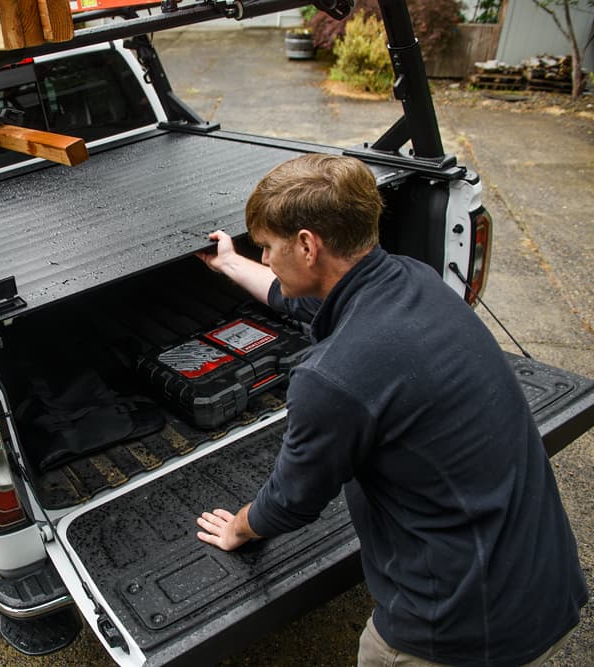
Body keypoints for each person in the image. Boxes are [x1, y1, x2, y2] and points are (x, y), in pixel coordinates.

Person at [194, 153, 587, 666]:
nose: (264, 260)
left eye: (267, 247)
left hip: (454, 634)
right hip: (545, 587)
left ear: (309, 245)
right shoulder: (417, 281)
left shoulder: (331, 379)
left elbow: (293, 500)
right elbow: (303, 298)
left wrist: (239, 527)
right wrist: (229, 261)